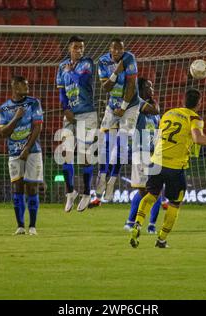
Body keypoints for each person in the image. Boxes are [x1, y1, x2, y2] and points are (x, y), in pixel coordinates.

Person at [130, 89, 206, 248]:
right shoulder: (195, 118)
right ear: (199, 104)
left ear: (183, 100)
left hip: (156, 161)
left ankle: (137, 223)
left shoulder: (169, 113)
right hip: (174, 167)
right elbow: (198, 138)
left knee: (151, 195)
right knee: (174, 203)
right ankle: (161, 239)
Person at [56, 35, 97, 212]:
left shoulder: (87, 63)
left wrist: (70, 71)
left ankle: (87, 192)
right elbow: (62, 92)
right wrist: (65, 109)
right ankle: (70, 192)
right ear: (69, 48)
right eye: (76, 47)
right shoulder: (61, 67)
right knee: (65, 152)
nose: (79, 50)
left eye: (81, 47)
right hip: (70, 114)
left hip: (87, 114)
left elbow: (82, 81)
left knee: (84, 154)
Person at [0, 76, 43, 236]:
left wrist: (27, 148)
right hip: (13, 152)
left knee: (32, 187)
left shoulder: (34, 102)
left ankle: (32, 226)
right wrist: (16, 117)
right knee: (17, 187)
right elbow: (3, 132)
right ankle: (20, 226)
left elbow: (37, 127)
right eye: (25, 85)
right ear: (15, 87)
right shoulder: (4, 108)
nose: (28, 87)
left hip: (33, 151)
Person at [97, 38, 140, 201]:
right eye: (114, 49)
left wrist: (123, 107)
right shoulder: (102, 61)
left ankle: (112, 181)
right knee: (105, 142)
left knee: (122, 145)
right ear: (110, 49)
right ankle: (102, 176)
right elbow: (106, 87)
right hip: (112, 105)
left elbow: (131, 85)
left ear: (123, 50)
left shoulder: (129, 58)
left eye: (120, 50)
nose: (117, 52)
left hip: (130, 106)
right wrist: (116, 71)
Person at [123, 77, 163, 234]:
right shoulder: (137, 102)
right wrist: (155, 102)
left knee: (156, 189)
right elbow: (154, 110)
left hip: (154, 152)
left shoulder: (153, 109)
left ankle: (151, 224)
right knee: (144, 191)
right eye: (148, 87)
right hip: (141, 151)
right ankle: (131, 221)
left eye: (152, 87)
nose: (151, 89)